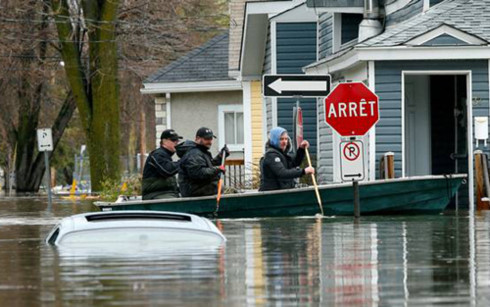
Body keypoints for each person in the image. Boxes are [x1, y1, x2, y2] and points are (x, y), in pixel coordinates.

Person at [177, 127, 229, 197]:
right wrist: (217, 169)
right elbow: (199, 173)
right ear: (197, 138)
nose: (210, 142)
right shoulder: (193, 154)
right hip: (194, 193)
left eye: (211, 139)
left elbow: (209, 167)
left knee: (226, 189)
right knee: (227, 190)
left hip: (200, 190)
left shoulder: (201, 152)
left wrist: (220, 157)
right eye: (207, 139)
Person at [259, 126, 314, 191]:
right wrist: (304, 171)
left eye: (286, 139)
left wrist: (301, 150)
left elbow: (294, 163)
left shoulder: (282, 154)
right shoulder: (271, 155)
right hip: (272, 195)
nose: (284, 142)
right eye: (281, 139)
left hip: (281, 193)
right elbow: (282, 173)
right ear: (274, 140)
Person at [142, 129, 183, 200]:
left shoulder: (166, 156)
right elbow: (167, 171)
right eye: (173, 140)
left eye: (177, 141)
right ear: (164, 141)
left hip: (165, 194)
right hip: (155, 195)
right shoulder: (158, 154)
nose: (176, 143)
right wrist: (184, 161)